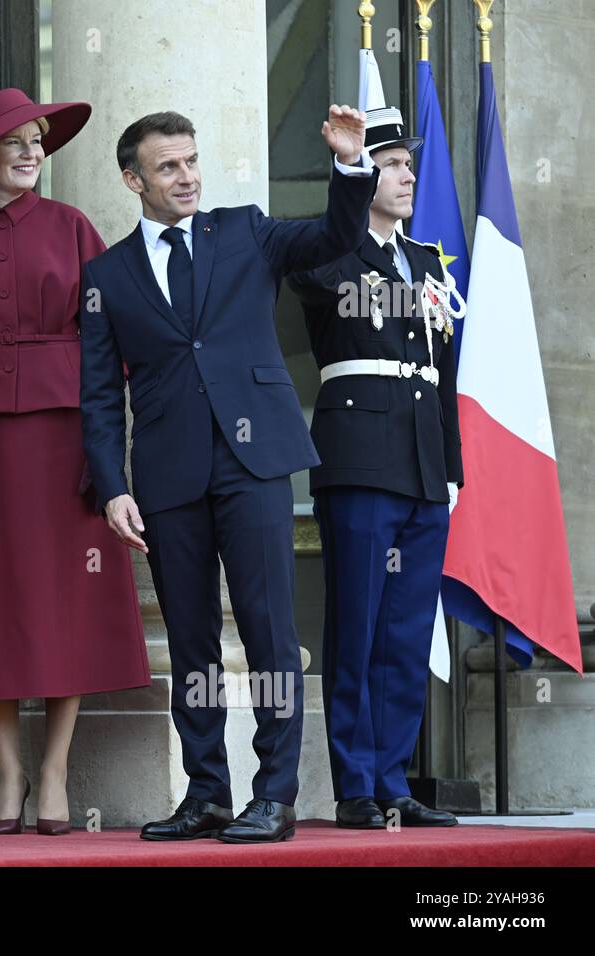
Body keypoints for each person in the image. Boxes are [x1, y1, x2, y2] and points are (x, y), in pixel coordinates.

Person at [80, 104, 375, 844]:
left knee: (271, 629)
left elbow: (334, 237)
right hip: (169, 474)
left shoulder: (244, 228)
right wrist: (112, 486)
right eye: (168, 167)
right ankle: (206, 791)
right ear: (133, 179)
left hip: (255, 462)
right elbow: (96, 394)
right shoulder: (106, 276)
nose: (186, 176)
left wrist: (348, 166)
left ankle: (274, 794)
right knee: (191, 639)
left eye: (191, 160)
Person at [0, 88, 150, 835]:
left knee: (67, 605)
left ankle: (54, 773)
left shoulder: (75, 228)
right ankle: (10, 771)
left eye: (37, 141)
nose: (29, 153)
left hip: (67, 434)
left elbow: (113, 345)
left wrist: (104, 453)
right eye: (14, 142)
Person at [287, 107, 461, 829]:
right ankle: (355, 784)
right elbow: (314, 276)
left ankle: (393, 780)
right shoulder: (332, 252)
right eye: (392, 166)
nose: (408, 177)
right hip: (360, 460)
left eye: (409, 167)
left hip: (422, 466)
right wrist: (348, 174)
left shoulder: (426, 262)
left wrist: (451, 467)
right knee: (356, 625)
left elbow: (441, 375)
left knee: (405, 630)